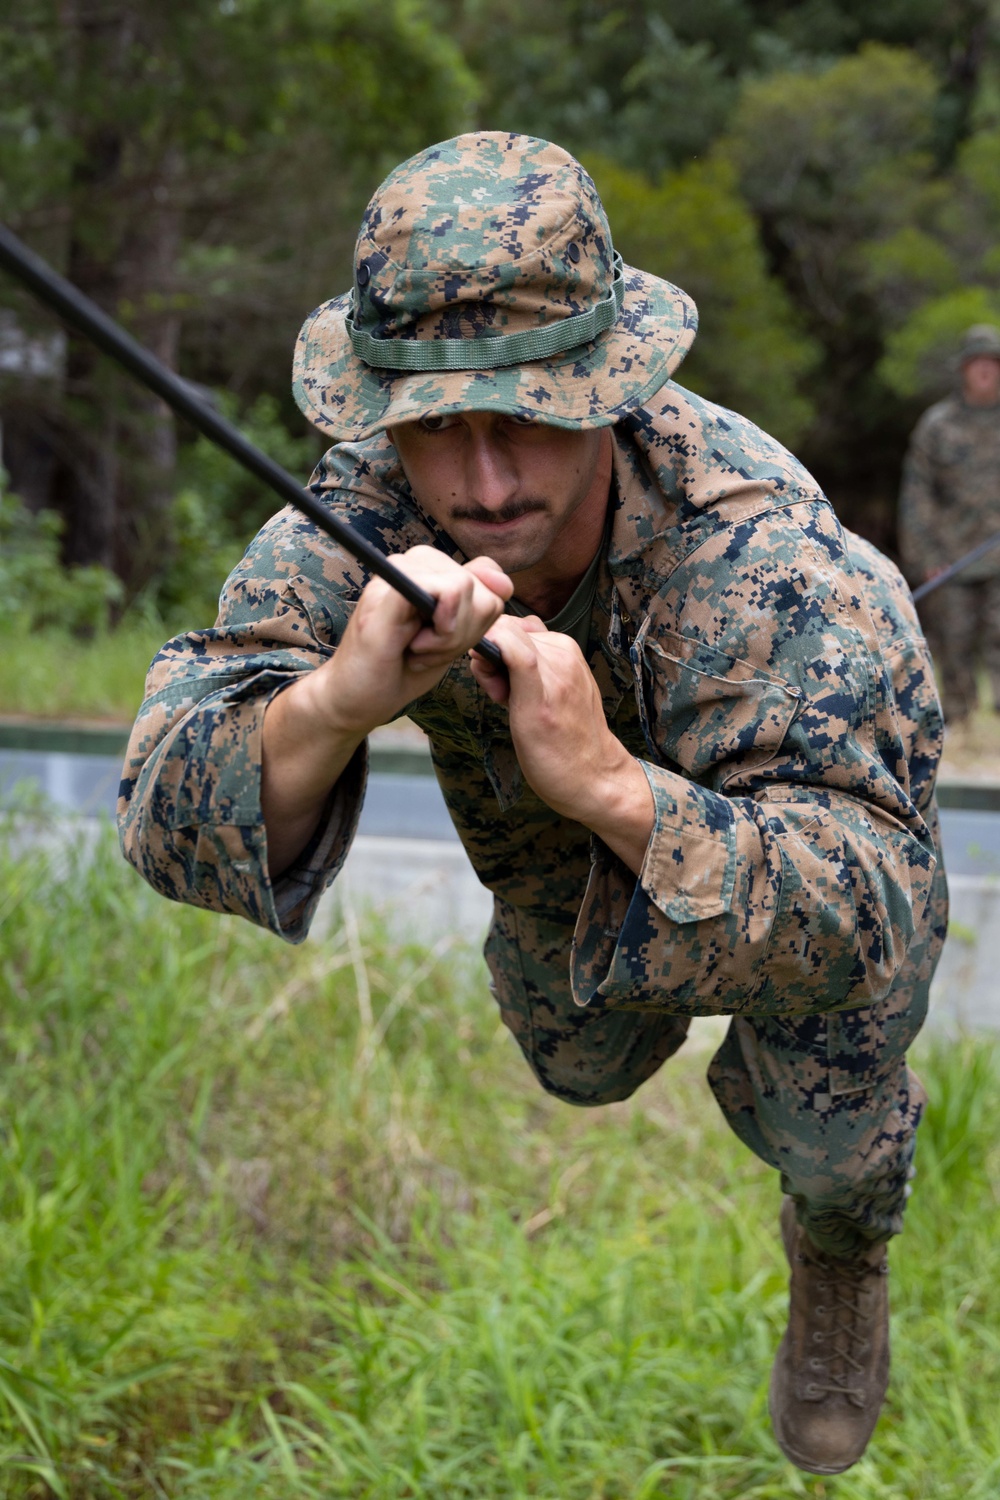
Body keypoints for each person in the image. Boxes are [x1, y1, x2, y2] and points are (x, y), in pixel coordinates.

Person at [119, 132, 946, 1477]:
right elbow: (159, 799)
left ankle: (841, 1249)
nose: (486, 483)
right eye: (438, 425)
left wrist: (619, 788)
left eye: (529, 419)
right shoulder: (366, 511)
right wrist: (332, 702)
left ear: (607, 390)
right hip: (558, 877)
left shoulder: (776, 565)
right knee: (584, 1061)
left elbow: (869, 909)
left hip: (796, 848)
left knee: (834, 1127)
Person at [899, 322, 1000, 722]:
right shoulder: (937, 424)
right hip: (953, 555)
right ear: (963, 369)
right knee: (954, 642)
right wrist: (923, 555)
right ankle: (959, 720)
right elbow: (916, 494)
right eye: (977, 363)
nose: (985, 371)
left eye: (992, 363)